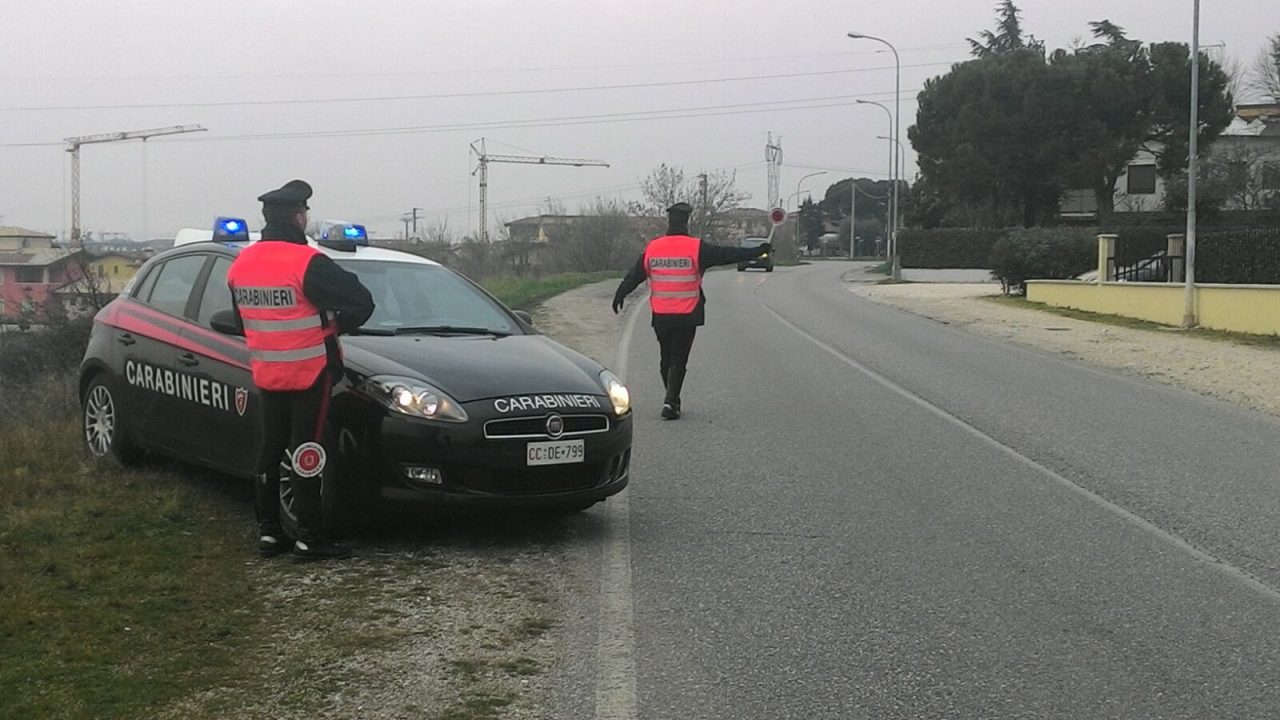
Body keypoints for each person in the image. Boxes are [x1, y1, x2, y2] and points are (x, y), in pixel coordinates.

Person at [226, 179, 375, 560]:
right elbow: (362, 301)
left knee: (270, 449)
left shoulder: (241, 264)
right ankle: (309, 537)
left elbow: (243, 321)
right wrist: (336, 325)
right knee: (307, 450)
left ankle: (269, 532)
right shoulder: (307, 262)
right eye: (304, 212)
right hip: (310, 371)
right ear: (297, 217)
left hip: (267, 371)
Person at [611, 202, 771, 420]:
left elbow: (635, 274)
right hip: (687, 313)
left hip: (661, 314)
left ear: (669, 222)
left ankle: (671, 399)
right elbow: (728, 254)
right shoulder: (697, 248)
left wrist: (621, 293)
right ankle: (671, 401)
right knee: (679, 358)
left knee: (666, 358)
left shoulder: (653, 248)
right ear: (686, 222)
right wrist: (757, 251)